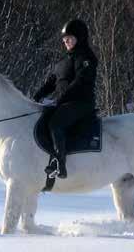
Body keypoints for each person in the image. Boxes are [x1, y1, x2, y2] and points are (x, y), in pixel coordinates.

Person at [33, 19, 98, 179]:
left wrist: (59, 100)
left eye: (69, 38)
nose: (65, 41)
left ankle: (59, 164)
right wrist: (37, 96)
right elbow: (52, 82)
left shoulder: (86, 58)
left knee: (56, 122)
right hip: (65, 102)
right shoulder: (64, 60)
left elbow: (80, 82)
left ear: (80, 37)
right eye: (64, 39)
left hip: (81, 103)